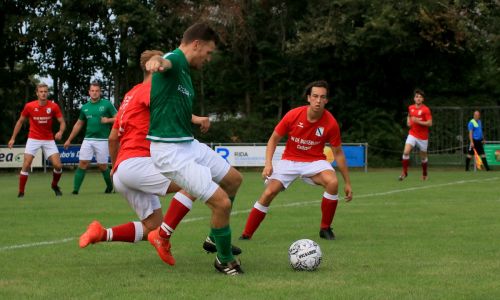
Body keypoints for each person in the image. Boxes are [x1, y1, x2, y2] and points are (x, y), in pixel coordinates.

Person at [79, 49, 241, 268]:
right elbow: (170, 107)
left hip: (123, 170)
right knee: (194, 181)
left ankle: (101, 233)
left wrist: (115, 167)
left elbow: (113, 137)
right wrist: (197, 118)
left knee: (152, 226)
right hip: (139, 163)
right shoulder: (151, 88)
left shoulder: (129, 95)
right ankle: (169, 237)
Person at [146, 22, 244, 275]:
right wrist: (155, 62)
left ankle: (214, 238)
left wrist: (196, 118)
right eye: (208, 52)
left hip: (187, 144)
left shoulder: (186, 73)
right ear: (197, 44)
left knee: (233, 180)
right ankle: (223, 260)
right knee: (221, 204)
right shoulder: (175, 60)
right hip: (169, 152)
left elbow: (172, 106)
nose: (208, 58)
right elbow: (162, 61)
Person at [239, 80, 353, 241]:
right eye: (315, 96)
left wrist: (347, 182)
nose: (318, 100)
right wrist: (268, 164)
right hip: (290, 161)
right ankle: (246, 234)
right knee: (269, 192)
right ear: (308, 98)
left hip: (314, 162)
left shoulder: (331, 123)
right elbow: (273, 140)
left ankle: (325, 228)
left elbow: (339, 153)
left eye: (322, 97)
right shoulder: (293, 115)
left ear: (326, 100)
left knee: (333, 182)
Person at [8, 83, 66, 198]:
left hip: (48, 139)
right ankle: (21, 192)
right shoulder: (29, 106)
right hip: (33, 138)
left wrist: (60, 131)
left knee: (58, 166)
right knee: (26, 164)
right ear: (37, 93)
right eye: (41, 91)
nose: (43, 93)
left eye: (45, 91)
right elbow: (20, 122)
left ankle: (54, 185)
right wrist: (12, 138)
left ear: (47, 93)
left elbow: (62, 122)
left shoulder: (53, 106)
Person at [64, 82, 117, 194]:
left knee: (102, 166)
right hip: (88, 140)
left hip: (102, 140)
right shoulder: (85, 107)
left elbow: (119, 118)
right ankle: (75, 191)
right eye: (92, 91)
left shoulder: (107, 104)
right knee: (82, 163)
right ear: (89, 92)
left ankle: (109, 187)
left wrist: (107, 120)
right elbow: (78, 124)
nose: (94, 93)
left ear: (100, 92)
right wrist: (69, 139)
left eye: (97, 90)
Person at [399, 89, 432, 181]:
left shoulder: (426, 109)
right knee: (406, 152)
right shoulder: (411, 107)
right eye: (417, 96)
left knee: (423, 157)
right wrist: (408, 122)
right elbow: (409, 115)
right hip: (412, 134)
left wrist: (418, 121)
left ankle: (424, 173)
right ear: (414, 98)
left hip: (423, 137)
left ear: (423, 99)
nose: (418, 98)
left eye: (420, 97)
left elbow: (430, 123)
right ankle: (404, 173)